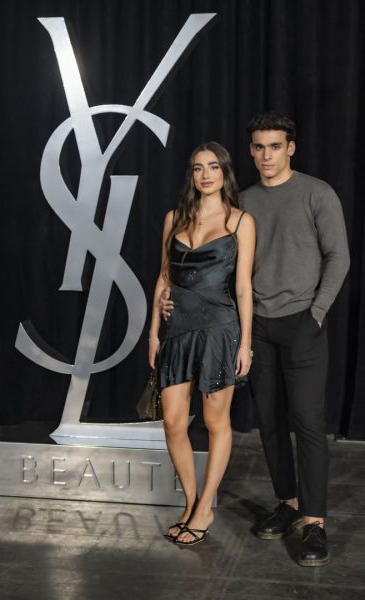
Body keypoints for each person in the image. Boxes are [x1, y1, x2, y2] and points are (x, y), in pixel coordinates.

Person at [161, 113, 350, 564]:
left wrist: (317, 313)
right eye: (259, 147)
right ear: (250, 151)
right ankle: (289, 503)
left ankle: (315, 523)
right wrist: (175, 299)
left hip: (302, 321)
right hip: (255, 325)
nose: (267, 155)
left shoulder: (317, 193)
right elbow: (222, 272)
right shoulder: (241, 204)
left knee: (307, 420)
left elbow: (338, 257)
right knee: (269, 420)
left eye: (275, 146)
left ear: (291, 148)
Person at [149, 141, 255, 545]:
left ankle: (205, 508)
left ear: (225, 172)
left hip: (220, 330)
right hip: (177, 330)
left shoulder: (241, 221)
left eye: (213, 167)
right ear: (191, 175)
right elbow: (163, 278)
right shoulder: (174, 218)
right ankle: (191, 502)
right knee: (173, 422)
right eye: (198, 168)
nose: (205, 175)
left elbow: (243, 288)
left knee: (215, 422)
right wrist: (153, 333)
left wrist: (245, 344)